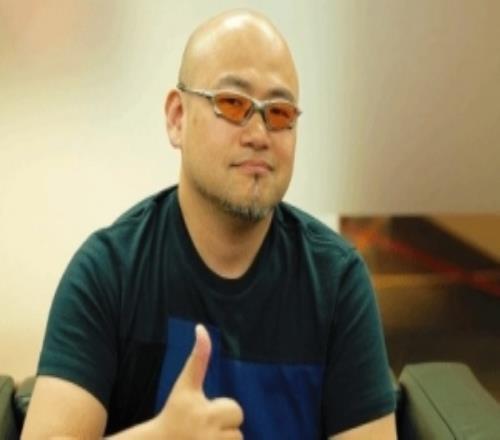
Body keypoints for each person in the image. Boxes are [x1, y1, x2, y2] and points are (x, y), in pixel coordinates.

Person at [22, 9, 396, 440]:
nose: (259, 134)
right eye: (233, 104)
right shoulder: (108, 273)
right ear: (177, 118)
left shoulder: (336, 281)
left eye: (279, 113)